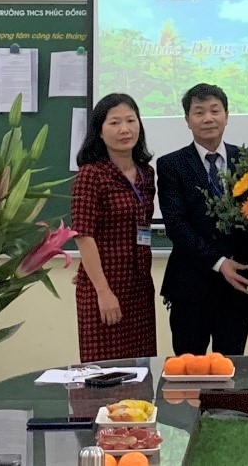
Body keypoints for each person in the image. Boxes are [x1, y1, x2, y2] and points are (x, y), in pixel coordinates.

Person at [156, 83, 248, 355]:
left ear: (226, 116)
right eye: (199, 112)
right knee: (189, 368)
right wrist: (219, 263)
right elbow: (176, 225)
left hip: (237, 287)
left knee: (232, 366)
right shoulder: (171, 165)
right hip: (190, 287)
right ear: (187, 120)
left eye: (215, 110)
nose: (208, 118)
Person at [72, 93, 158, 362]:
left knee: (142, 368)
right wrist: (103, 290)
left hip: (139, 286)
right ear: (99, 131)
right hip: (105, 286)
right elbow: (83, 235)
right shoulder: (91, 174)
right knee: (106, 370)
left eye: (131, 120)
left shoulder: (146, 173)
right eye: (114, 122)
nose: (125, 129)